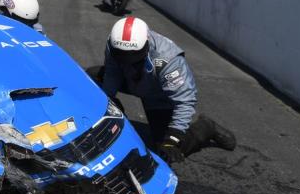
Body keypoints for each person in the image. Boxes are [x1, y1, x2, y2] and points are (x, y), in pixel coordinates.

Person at [90, 17, 236, 163]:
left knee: (166, 150)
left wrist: (173, 137)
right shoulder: (113, 44)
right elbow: (113, 71)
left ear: (146, 44)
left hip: (158, 95)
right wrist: (109, 100)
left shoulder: (168, 59)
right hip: (131, 80)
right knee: (91, 76)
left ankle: (206, 127)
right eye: (121, 54)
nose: (127, 60)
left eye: (133, 54)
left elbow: (185, 101)